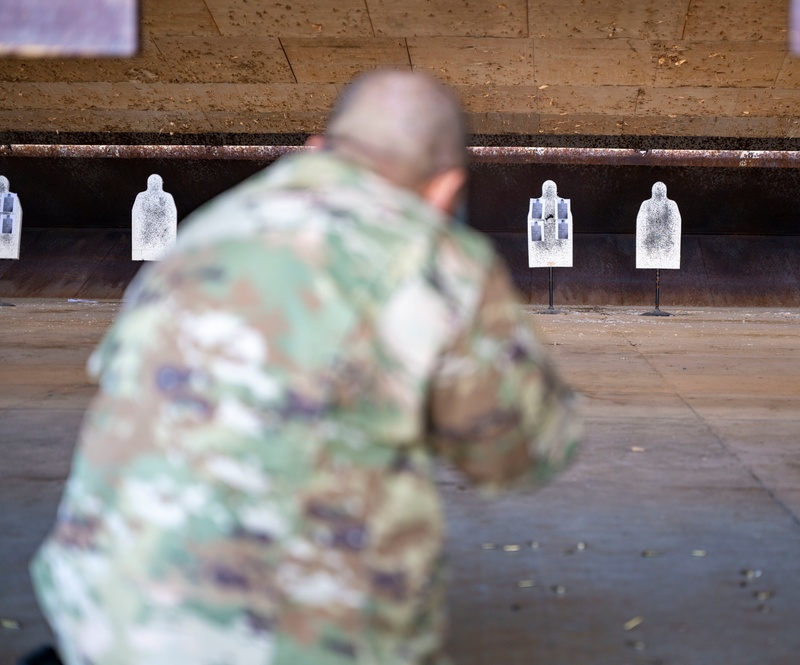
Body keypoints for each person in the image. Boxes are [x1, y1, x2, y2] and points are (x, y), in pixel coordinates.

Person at [30, 70, 582, 665]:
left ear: (317, 150)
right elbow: (521, 452)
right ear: (445, 190)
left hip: (97, 622)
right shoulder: (430, 255)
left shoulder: (208, 229)